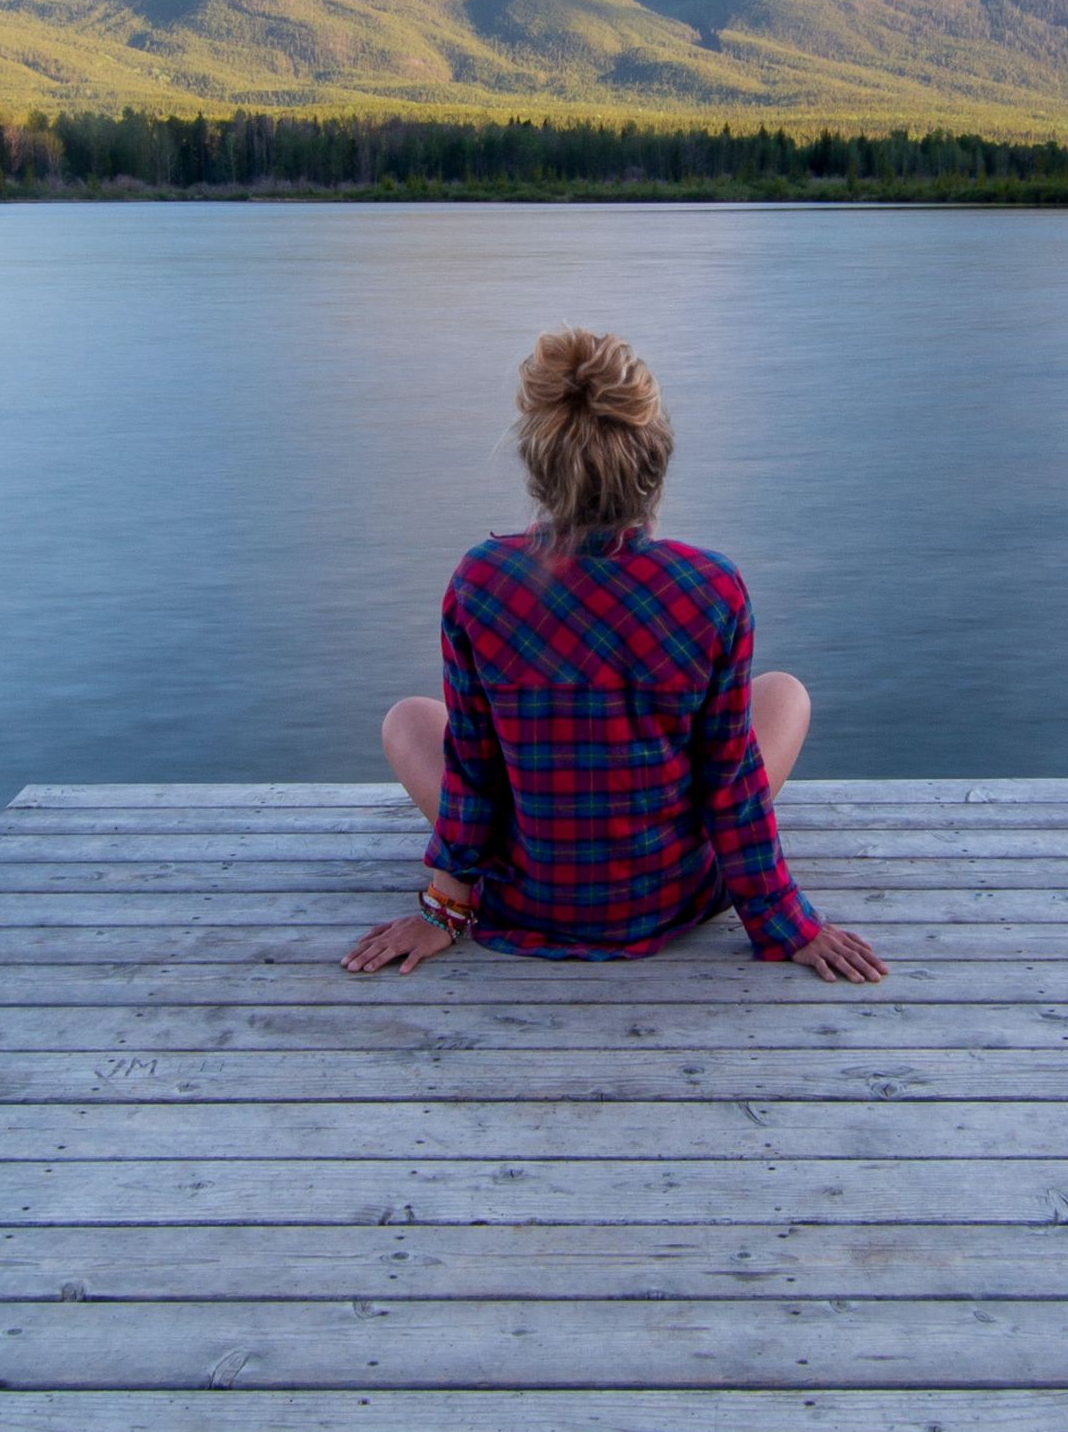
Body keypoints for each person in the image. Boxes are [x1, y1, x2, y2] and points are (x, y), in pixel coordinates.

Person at [343, 328, 887, 984]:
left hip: (526, 896)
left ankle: (490, 882)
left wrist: (442, 911)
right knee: (784, 695)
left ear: (540, 469)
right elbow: (730, 780)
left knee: (409, 719)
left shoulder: (480, 581)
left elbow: (473, 771)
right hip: (667, 898)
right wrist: (785, 923)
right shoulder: (711, 587)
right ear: (654, 462)